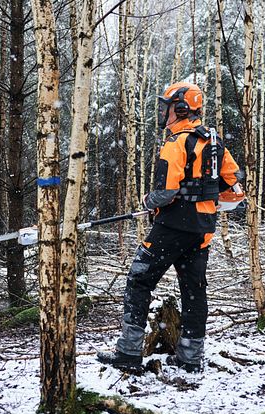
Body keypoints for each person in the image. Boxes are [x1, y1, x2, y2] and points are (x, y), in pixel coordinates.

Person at [96, 81, 243, 373]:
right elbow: (234, 186)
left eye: (167, 108)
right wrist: (207, 198)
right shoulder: (214, 141)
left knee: (139, 279)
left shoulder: (175, 144)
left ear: (181, 109)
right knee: (193, 290)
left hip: (173, 225)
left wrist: (149, 199)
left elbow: (164, 192)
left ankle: (128, 351)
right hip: (203, 229)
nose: (163, 114)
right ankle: (190, 357)